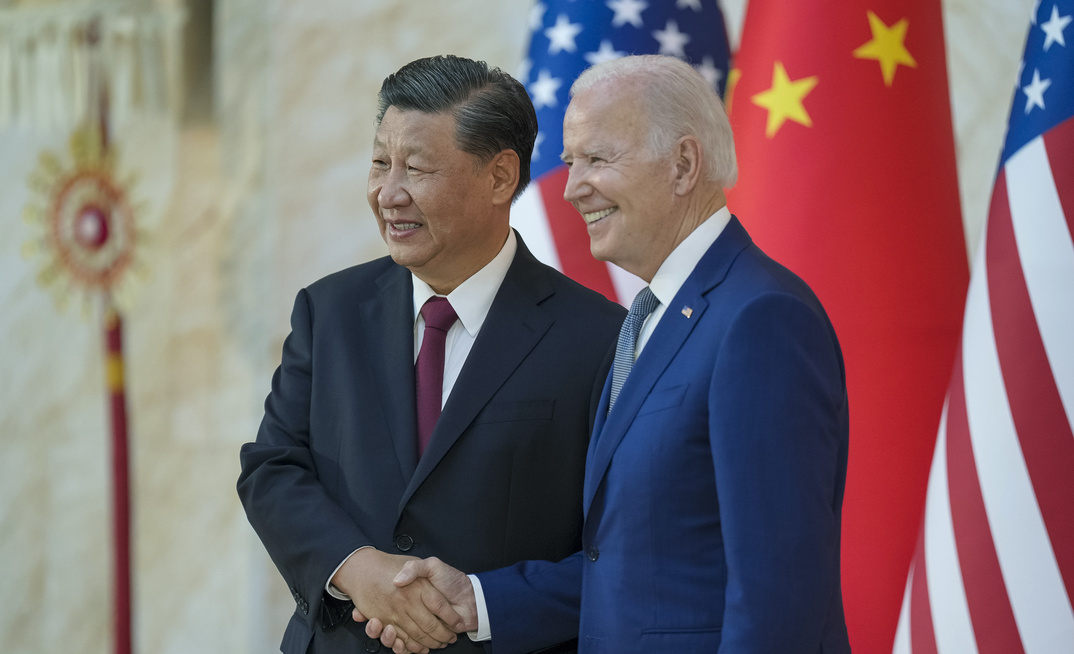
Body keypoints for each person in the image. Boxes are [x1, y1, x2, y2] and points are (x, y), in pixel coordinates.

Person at [369, 54, 852, 654]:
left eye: (597, 160)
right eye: (571, 161)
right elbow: (629, 559)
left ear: (683, 165)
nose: (571, 188)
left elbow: (779, 597)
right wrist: (481, 600)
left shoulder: (759, 319)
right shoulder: (649, 318)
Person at [237, 54, 626, 654]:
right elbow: (272, 468)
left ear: (500, 177)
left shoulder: (598, 338)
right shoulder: (329, 311)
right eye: (379, 163)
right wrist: (356, 568)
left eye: (416, 168)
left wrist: (481, 604)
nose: (388, 193)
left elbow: (620, 550)